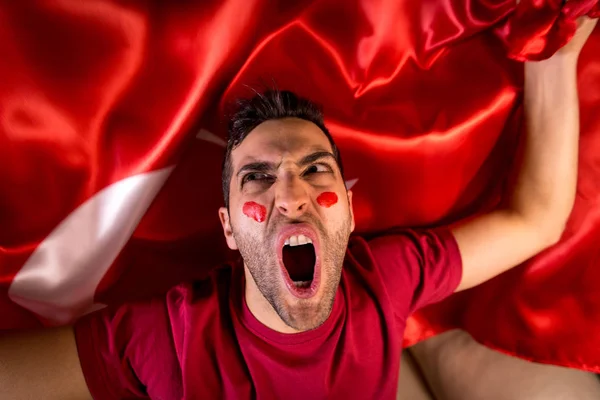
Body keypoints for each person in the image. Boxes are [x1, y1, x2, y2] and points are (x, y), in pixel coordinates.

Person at [0, 15, 598, 400]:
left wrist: (556, 52)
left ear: (351, 212)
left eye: (316, 170)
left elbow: (536, 219)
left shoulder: (379, 278)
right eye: (256, 179)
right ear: (229, 230)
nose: (290, 196)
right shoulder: (170, 339)